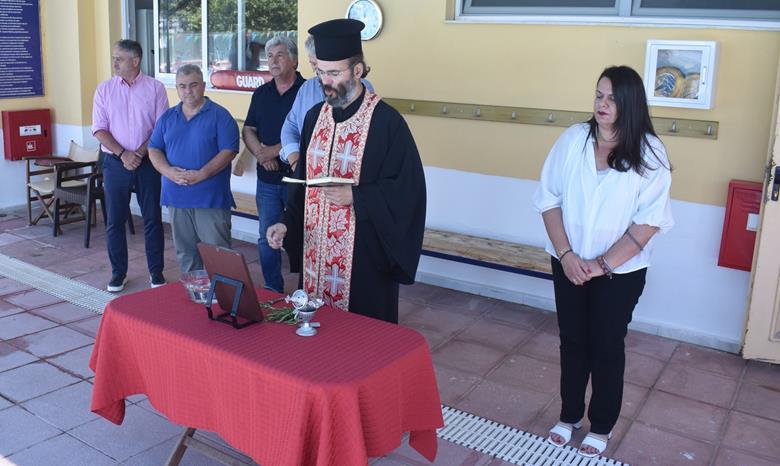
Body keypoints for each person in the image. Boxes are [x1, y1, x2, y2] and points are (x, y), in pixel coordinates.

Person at [533, 65, 673, 458]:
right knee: (572, 340)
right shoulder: (573, 139)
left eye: (612, 97)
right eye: (598, 95)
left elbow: (649, 222)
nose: (602, 103)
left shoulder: (650, 151)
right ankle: (569, 416)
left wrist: (601, 265)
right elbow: (548, 200)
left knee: (606, 345)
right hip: (568, 262)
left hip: (620, 272)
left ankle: (602, 424)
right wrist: (566, 256)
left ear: (630, 103)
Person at [266, 19, 426, 324]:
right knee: (316, 332)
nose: (325, 82)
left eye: (334, 73)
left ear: (357, 70)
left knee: (360, 340)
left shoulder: (386, 122)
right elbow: (303, 184)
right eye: (320, 72)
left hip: (364, 259)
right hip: (316, 255)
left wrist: (357, 196)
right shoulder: (314, 118)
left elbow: (408, 191)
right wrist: (287, 223)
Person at [92, 39, 169, 293]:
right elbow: (99, 129)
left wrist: (139, 153)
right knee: (115, 220)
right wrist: (123, 153)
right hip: (115, 163)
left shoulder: (156, 88)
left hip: (148, 162)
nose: (114, 63)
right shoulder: (104, 90)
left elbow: (161, 128)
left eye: (120, 58)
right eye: (114, 58)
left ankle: (156, 272)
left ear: (135, 61)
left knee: (152, 218)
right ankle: (118, 273)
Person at [148, 64, 240, 272]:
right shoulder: (168, 117)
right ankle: (193, 291)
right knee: (186, 254)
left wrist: (202, 174)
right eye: (182, 86)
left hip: (210, 198)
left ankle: (224, 291)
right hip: (176, 197)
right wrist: (168, 172)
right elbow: (153, 149)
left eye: (193, 85)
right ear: (176, 88)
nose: (188, 91)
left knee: (219, 256)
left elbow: (229, 151)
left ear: (204, 86)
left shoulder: (220, 116)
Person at [243, 36, 305, 293]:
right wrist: (261, 155)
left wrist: (273, 152)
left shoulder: (307, 91)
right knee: (266, 236)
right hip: (267, 181)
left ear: (295, 60)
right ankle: (272, 289)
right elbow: (248, 129)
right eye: (269, 56)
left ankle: (307, 292)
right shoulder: (261, 93)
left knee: (304, 236)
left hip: (298, 180)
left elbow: (309, 133)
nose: (273, 61)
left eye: (280, 55)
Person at [279, 34, 373, 172]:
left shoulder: (363, 91)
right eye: (312, 64)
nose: (315, 70)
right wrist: (295, 163)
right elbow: (290, 127)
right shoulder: (306, 89)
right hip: (309, 176)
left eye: (315, 64)